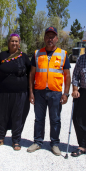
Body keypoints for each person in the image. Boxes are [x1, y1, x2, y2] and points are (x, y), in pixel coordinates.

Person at [27, 26, 71, 156]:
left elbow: (67, 75)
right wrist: (31, 92)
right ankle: (37, 142)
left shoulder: (63, 54)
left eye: (52, 37)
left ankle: (55, 144)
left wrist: (66, 93)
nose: (50, 39)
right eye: (47, 36)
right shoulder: (37, 53)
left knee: (55, 119)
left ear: (57, 39)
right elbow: (31, 75)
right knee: (39, 119)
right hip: (39, 92)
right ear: (44, 38)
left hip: (55, 93)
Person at [0, 34, 31, 151]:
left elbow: (30, 73)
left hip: (20, 93)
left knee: (18, 115)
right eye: (12, 41)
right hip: (2, 92)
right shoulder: (2, 56)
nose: (14, 43)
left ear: (19, 43)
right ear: (8, 42)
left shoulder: (24, 57)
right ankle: (0, 138)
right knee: (1, 114)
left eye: (16, 41)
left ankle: (16, 140)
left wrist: (30, 90)